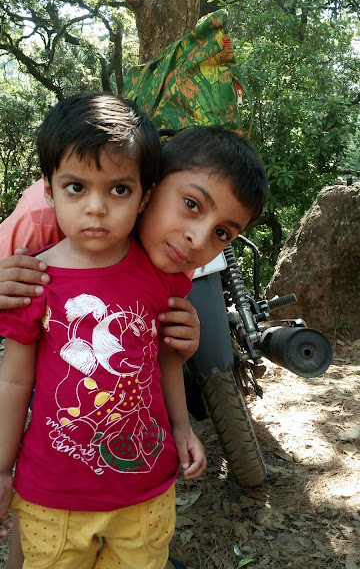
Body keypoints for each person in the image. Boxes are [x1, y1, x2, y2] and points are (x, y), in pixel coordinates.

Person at [0, 121, 269, 569]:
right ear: (152, 187)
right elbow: (13, 375)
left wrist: (185, 345)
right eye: (190, 205)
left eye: (223, 233)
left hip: (135, 484)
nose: (199, 239)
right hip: (54, 470)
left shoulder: (169, 273)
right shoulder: (40, 218)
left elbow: (161, 347)